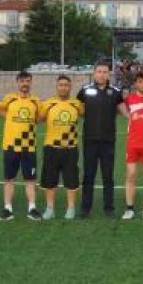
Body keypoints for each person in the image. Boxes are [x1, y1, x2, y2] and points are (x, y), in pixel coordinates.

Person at [76, 62, 127, 218]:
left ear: (109, 74)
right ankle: (85, 209)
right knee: (88, 175)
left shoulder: (116, 92)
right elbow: (78, 111)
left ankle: (109, 208)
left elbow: (125, 112)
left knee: (108, 176)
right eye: (99, 71)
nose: (102, 74)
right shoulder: (84, 91)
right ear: (94, 73)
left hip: (108, 141)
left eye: (105, 72)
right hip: (90, 140)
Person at [0, 71, 42, 221]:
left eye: (27, 81)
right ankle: (7, 208)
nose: (25, 84)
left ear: (31, 83)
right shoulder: (9, 99)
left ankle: (32, 208)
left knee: (30, 179)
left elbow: (38, 119)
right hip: (10, 146)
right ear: (17, 82)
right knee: (9, 178)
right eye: (22, 81)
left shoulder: (36, 101)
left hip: (29, 147)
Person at [39, 75, 84, 220]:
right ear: (56, 87)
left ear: (70, 87)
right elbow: (37, 119)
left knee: (71, 180)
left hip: (70, 148)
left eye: (66, 85)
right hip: (51, 148)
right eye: (61, 85)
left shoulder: (76, 104)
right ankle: (49, 208)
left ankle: (70, 208)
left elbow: (87, 113)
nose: (63, 87)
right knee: (50, 180)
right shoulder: (48, 104)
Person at [122, 71, 143, 220]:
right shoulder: (129, 99)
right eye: (140, 82)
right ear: (135, 84)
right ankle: (129, 208)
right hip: (133, 144)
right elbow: (120, 109)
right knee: (130, 176)